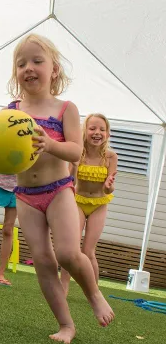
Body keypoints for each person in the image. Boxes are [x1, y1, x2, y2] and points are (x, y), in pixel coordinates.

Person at [3, 33, 114, 344]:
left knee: (67, 253)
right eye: (21, 63)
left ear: (54, 69)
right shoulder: (11, 110)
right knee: (43, 260)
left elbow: (76, 152)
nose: (29, 67)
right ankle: (66, 325)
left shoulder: (65, 108)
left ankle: (93, 294)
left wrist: (50, 144)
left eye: (37, 61)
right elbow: (3, 154)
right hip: (26, 196)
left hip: (60, 191)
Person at [60, 113, 117, 294]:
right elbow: (70, 181)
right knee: (72, 248)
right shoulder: (78, 153)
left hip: (99, 204)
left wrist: (108, 185)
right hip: (77, 201)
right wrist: (75, 166)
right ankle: (64, 286)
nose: (97, 132)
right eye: (92, 128)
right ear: (85, 131)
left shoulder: (110, 157)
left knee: (88, 250)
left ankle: (94, 291)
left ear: (107, 134)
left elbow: (109, 190)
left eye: (102, 129)